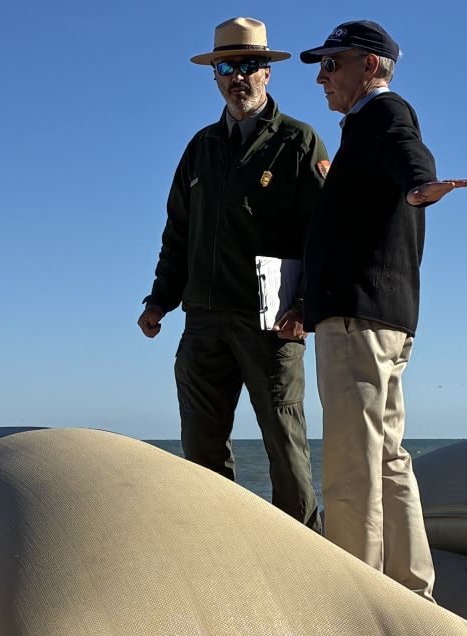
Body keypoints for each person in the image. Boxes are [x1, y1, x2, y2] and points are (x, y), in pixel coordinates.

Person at [297, 20, 467, 599]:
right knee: (388, 458)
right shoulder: (362, 131)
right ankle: (412, 592)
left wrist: (422, 184)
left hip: (358, 321)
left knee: (351, 467)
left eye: (333, 64)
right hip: (385, 317)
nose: (322, 77)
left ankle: (357, 606)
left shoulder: (383, 113)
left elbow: (408, 149)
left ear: (370, 65)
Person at [139, 17, 328, 531]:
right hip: (202, 322)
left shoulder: (299, 142)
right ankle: (218, 550)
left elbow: (324, 235)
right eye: (227, 67)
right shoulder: (199, 147)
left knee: (286, 450)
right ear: (215, 76)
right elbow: (178, 232)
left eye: (249, 65)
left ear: (267, 72)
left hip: (272, 324)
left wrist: (306, 306)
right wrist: (159, 300)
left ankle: (307, 559)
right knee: (201, 452)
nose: (238, 77)